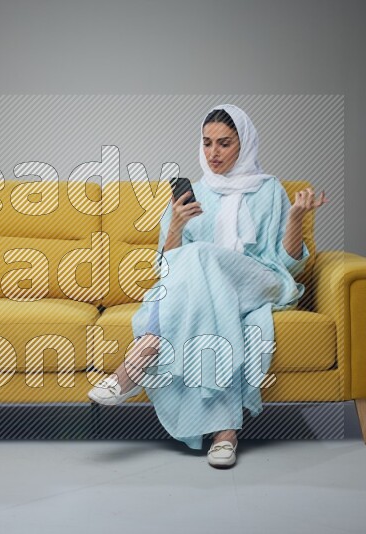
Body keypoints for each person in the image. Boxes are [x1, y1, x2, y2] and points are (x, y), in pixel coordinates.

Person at [88, 104, 328, 468]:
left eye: (225, 143)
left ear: (244, 144)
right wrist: (175, 228)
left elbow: (290, 264)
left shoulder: (269, 192)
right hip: (206, 292)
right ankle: (225, 432)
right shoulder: (192, 195)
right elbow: (168, 266)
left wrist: (295, 217)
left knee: (200, 255)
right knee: (202, 281)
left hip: (259, 281)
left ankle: (144, 353)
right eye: (207, 143)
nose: (213, 153)